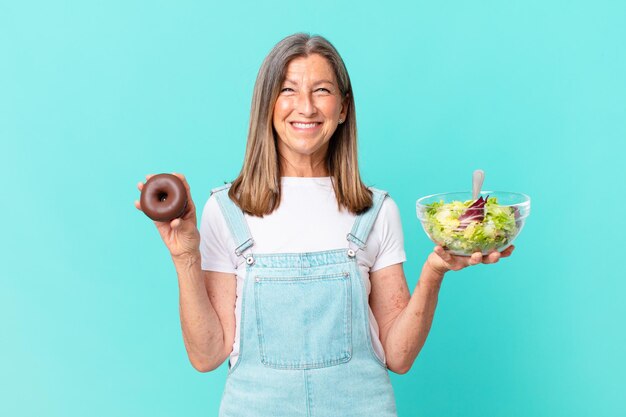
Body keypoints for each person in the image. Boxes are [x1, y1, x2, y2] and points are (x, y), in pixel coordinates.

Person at [135, 33, 515, 417]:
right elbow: (207, 354)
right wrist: (185, 256)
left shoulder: (375, 211)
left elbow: (398, 357)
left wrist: (434, 272)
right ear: (267, 104)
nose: (305, 106)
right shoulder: (227, 210)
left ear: (344, 108)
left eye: (321, 90)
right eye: (288, 89)